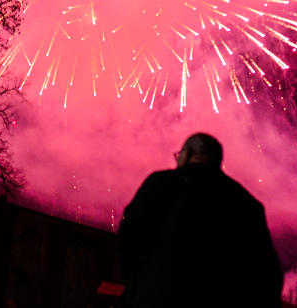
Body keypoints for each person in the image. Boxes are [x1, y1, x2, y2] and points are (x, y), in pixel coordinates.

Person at [118, 132, 284, 308]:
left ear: (187, 154)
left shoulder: (160, 184)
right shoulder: (247, 204)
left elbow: (129, 236)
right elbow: (268, 272)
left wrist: (137, 284)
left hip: (156, 297)